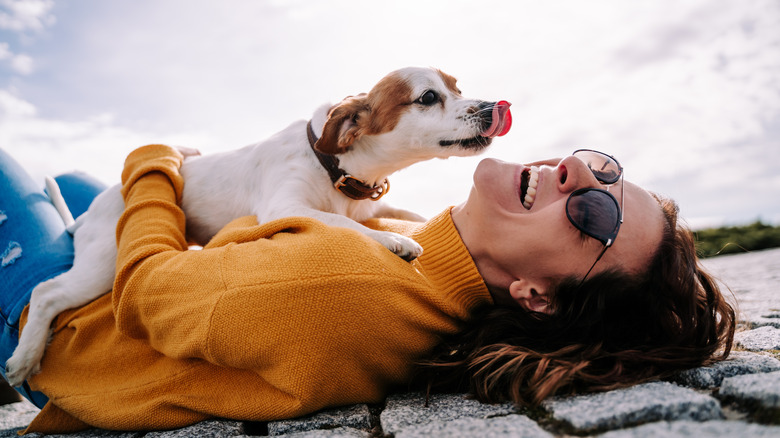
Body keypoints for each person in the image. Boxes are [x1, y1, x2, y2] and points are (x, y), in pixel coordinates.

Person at [0, 144, 735, 433]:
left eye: (593, 214)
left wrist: (157, 162)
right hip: (113, 292)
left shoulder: (346, 285)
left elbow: (151, 295)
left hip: (70, 336)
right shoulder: (426, 245)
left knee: (20, 172)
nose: (577, 176)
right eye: (601, 169)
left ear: (536, 296)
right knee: (74, 185)